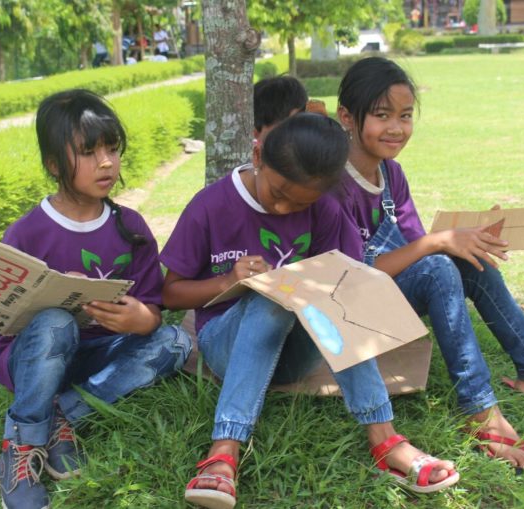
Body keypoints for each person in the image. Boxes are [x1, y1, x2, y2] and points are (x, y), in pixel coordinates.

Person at [160, 112, 460, 509]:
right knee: (269, 298)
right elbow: (170, 294)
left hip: (298, 355)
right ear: (257, 155)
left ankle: (385, 439)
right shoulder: (211, 205)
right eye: (278, 193)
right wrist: (226, 282)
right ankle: (224, 449)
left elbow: (350, 285)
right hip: (226, 348)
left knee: (332, 295)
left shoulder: (326, 210)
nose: (284, 209)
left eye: (301, 203)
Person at [334, 57, 524, 474]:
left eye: (405, 116)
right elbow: (347, 277)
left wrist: (463, 238)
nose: (396, 128)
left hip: (389, 291)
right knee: (440, 265)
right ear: (347, 116)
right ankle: (479, 410)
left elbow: (414, 247)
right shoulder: (333, 183)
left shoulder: (391, 173)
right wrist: (438, 243)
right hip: (350, 305)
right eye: (382, 116)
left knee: (470, 260)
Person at [0, 89, 192, 509]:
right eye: (88, 152)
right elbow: (5, 330)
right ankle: (20, 445)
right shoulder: (26, 235)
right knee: (56, 323)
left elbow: (152, 308)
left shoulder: (130, 227)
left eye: (112, 149)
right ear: (53, 164)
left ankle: (60, 415)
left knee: (175, 342)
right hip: (35, 361)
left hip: (100, 354)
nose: (106, 162)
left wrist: (143, 319)